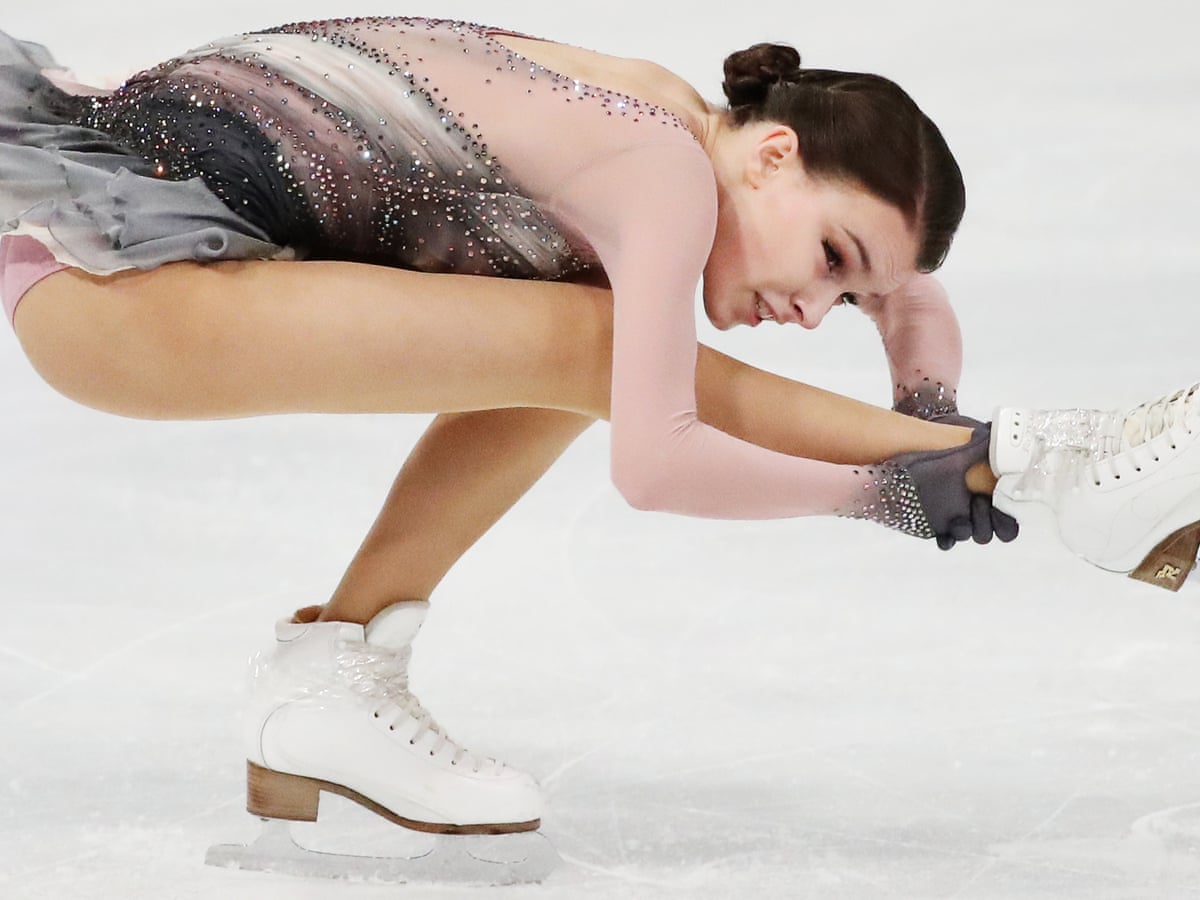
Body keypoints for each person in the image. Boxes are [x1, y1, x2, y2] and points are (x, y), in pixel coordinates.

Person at [0, 14, 1193, 863]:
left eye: (846, 297)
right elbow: (656, 461)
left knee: (590, 331)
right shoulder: (662, 173)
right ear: (774, 154)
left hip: (117, 272)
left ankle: (332, 674)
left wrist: (923, 403)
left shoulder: (678, 127)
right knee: (598, 344)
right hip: (122, 293)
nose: (813, 309)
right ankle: (1056, 461)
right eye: (829, 260)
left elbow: (911, 292)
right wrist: (897, 485)